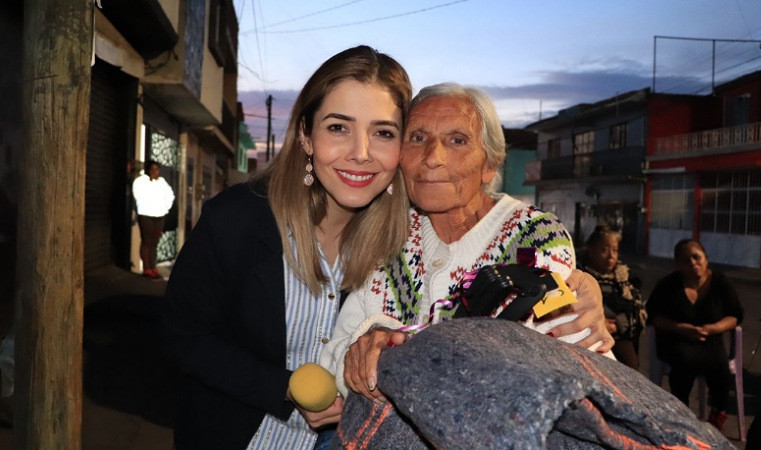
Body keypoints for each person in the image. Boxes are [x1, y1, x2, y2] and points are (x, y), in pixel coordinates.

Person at [161, 45, 412, 450]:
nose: (361, 153)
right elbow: (179, 336)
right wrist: (284, 387)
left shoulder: (402, 246)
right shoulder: (237, 218)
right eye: (338, 127)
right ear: (305, 136)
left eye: (383, 132)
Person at [322, 83, 614, 402]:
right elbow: (334, 354)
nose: (432, 158)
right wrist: (364, 345)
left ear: (489, 164)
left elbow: (531, 361)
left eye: (457, 140)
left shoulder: (535, 236)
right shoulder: (389, 236)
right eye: (418, 138)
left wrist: (393, 347)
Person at [647, 239, 744, 431]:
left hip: (710, 339)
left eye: (696, 257)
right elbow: (654, 317)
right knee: (684, 362)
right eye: (685, 260)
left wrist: (712, 328)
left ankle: (718, 414)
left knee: (719, 365)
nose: (692, 263)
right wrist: (680, 327)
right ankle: (683, 415)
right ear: (677, 265)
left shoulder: (719, 283)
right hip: (676, 338)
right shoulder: (669, 285)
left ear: (706, 259)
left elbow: (736, 315)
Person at [579, 224, 646, 369]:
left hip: (619, 336)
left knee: (629, 366)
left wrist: (617, 325)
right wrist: (599, 323)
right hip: (585, 334)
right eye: (604, 250)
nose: (611, 256)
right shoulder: (579, 275)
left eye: (615, 250)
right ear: (590, 250)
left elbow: (640, 313)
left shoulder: (625, 278)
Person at [132, 160, 175, 279]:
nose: (154, 172)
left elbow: (170, 196)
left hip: (159, 215)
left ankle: (153, 267)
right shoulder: (141, 181)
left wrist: (165, 208)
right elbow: (138, 195)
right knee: (146, 241)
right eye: (152, 169)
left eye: (156, 169)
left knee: (154, 243)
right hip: (146, 215)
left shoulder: (162, 183)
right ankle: (147, 268)